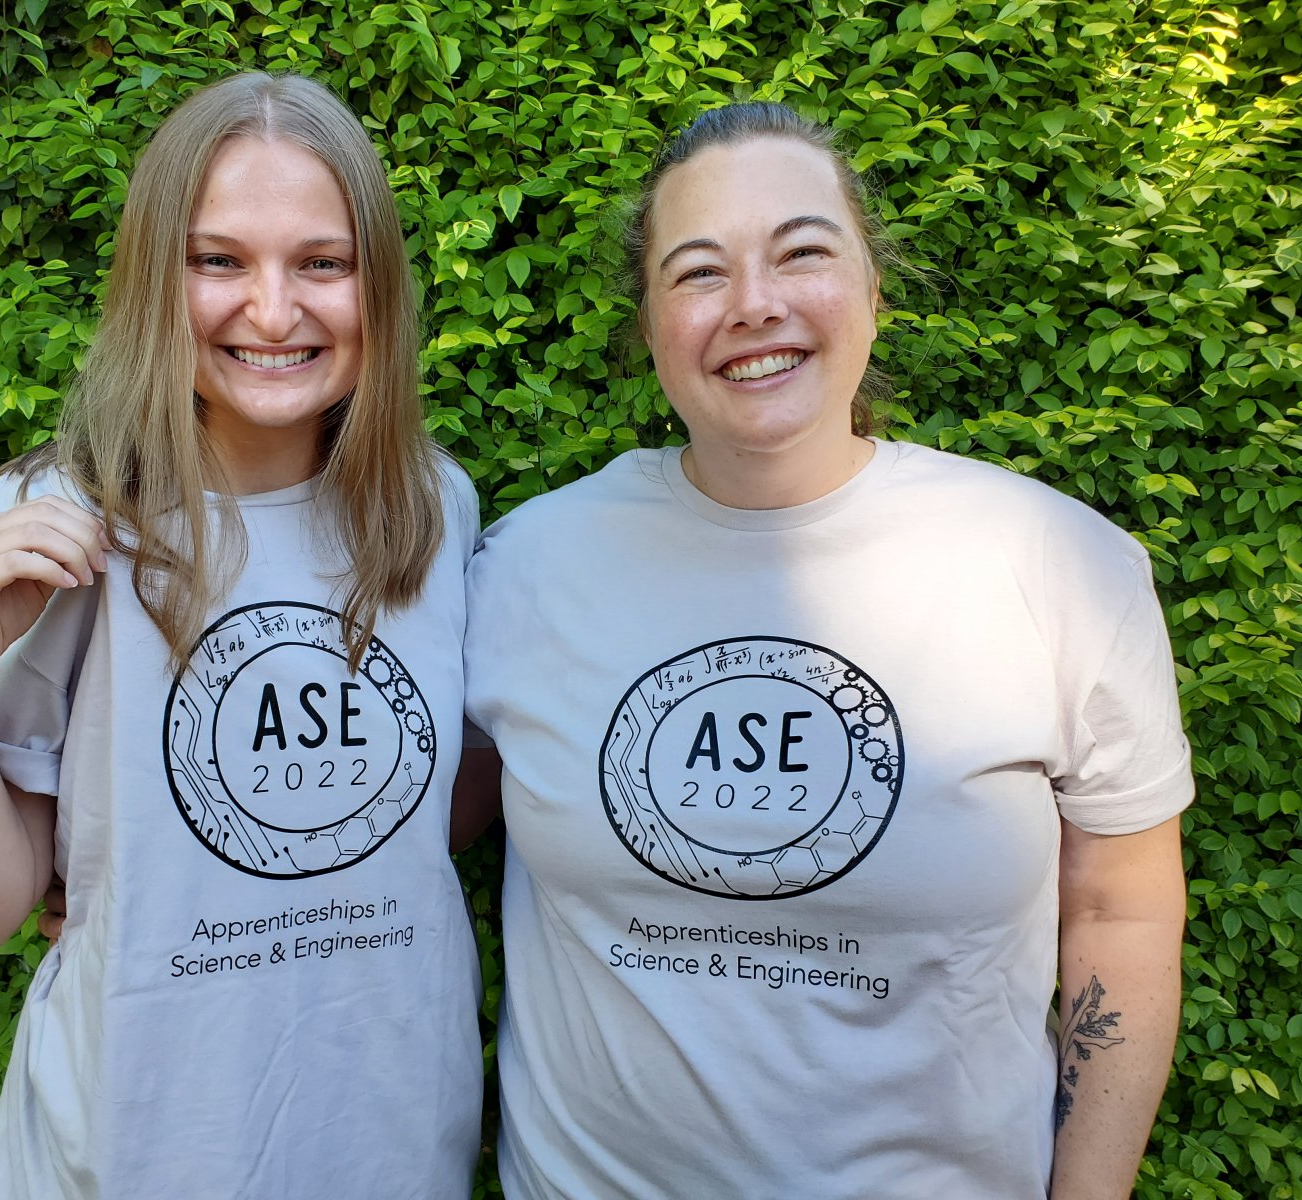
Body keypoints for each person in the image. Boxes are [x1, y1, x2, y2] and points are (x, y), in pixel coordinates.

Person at [463, 102, 1190, 1199]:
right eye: (698, 272)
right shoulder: (525, 564)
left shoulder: (1058, 564)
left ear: (872, 290)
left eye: (802, 253)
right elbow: (394, 811)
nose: (754, 305)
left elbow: (1120, 908)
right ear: (648, 322)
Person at [0, 72, 488, 1198]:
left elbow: (434, 804)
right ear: (150, 282)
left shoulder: (431, 510)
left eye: (323, 263)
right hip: (130, 1152)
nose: (272, 313)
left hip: (389, 1143)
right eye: (217, 261)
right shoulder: (60, 525)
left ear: (380, 286)